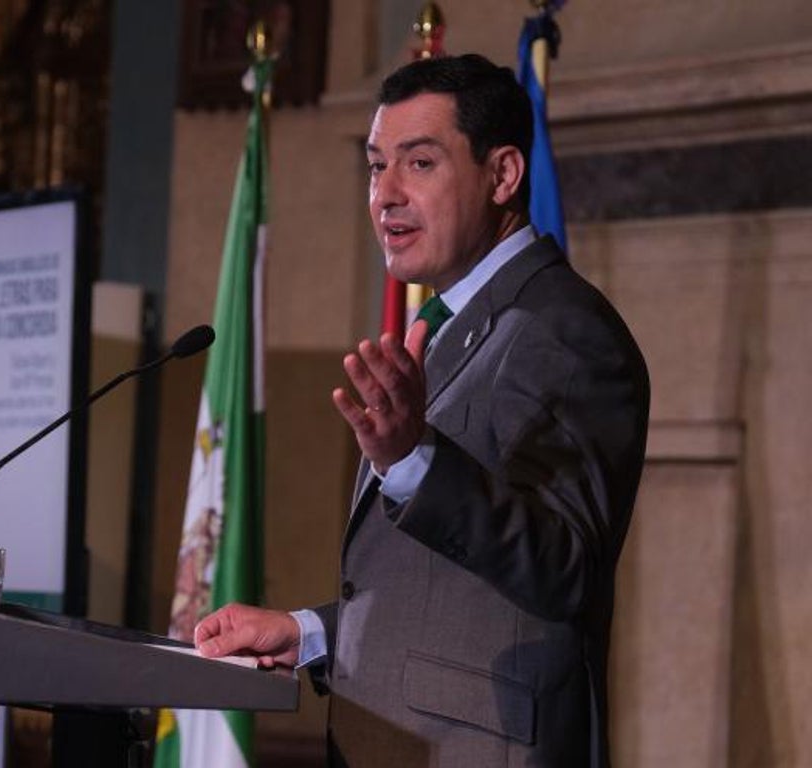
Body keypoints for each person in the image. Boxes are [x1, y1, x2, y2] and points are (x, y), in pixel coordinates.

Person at [194, 54, 650, 767]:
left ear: (503, 175)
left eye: (420, 163)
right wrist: (310, 633)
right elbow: (451, 598)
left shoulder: (564, 331)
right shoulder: (452, 327)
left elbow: (565, 570)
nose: (385, 195)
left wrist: (412, 459)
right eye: (377, 167)